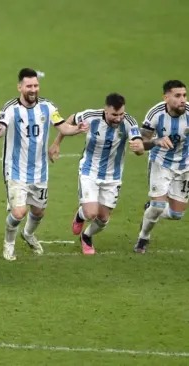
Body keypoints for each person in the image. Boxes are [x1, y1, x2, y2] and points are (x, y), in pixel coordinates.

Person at [0, 68, 88, 261]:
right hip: (15, 170)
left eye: (35, 85)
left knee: (38, 211)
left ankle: (27, 234)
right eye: (29, 86)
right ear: (20, 87)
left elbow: (62, 127)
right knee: (19, 212)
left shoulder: (47, 107)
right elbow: (2, 125)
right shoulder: (11, 108)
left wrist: (77, 129)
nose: (33, 89)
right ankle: (8, 245)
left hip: (40, 171)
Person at [48, 93, 144, 254]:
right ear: (105, 110)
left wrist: (139, 148)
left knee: (103, 218)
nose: (118, 118)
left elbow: (138, 142)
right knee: (91, 213)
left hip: (113, 176)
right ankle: (80, 216)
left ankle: (86, 236)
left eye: (121, 114)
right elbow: (71, 119)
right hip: (89, 171)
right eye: (114, 115)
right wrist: (56, 143)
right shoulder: (91, 116)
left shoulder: (129, 122)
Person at [134, 80, 189, 253]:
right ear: (166, 97)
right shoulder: (156, 114)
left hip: (185, 165)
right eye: (177, 95)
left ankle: (150, 208)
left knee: (176, 215)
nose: (183, 100)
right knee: (158, 206)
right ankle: (143, 238)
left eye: (185, 95)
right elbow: (141, 144)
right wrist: (157, 141)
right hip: (161, 163)